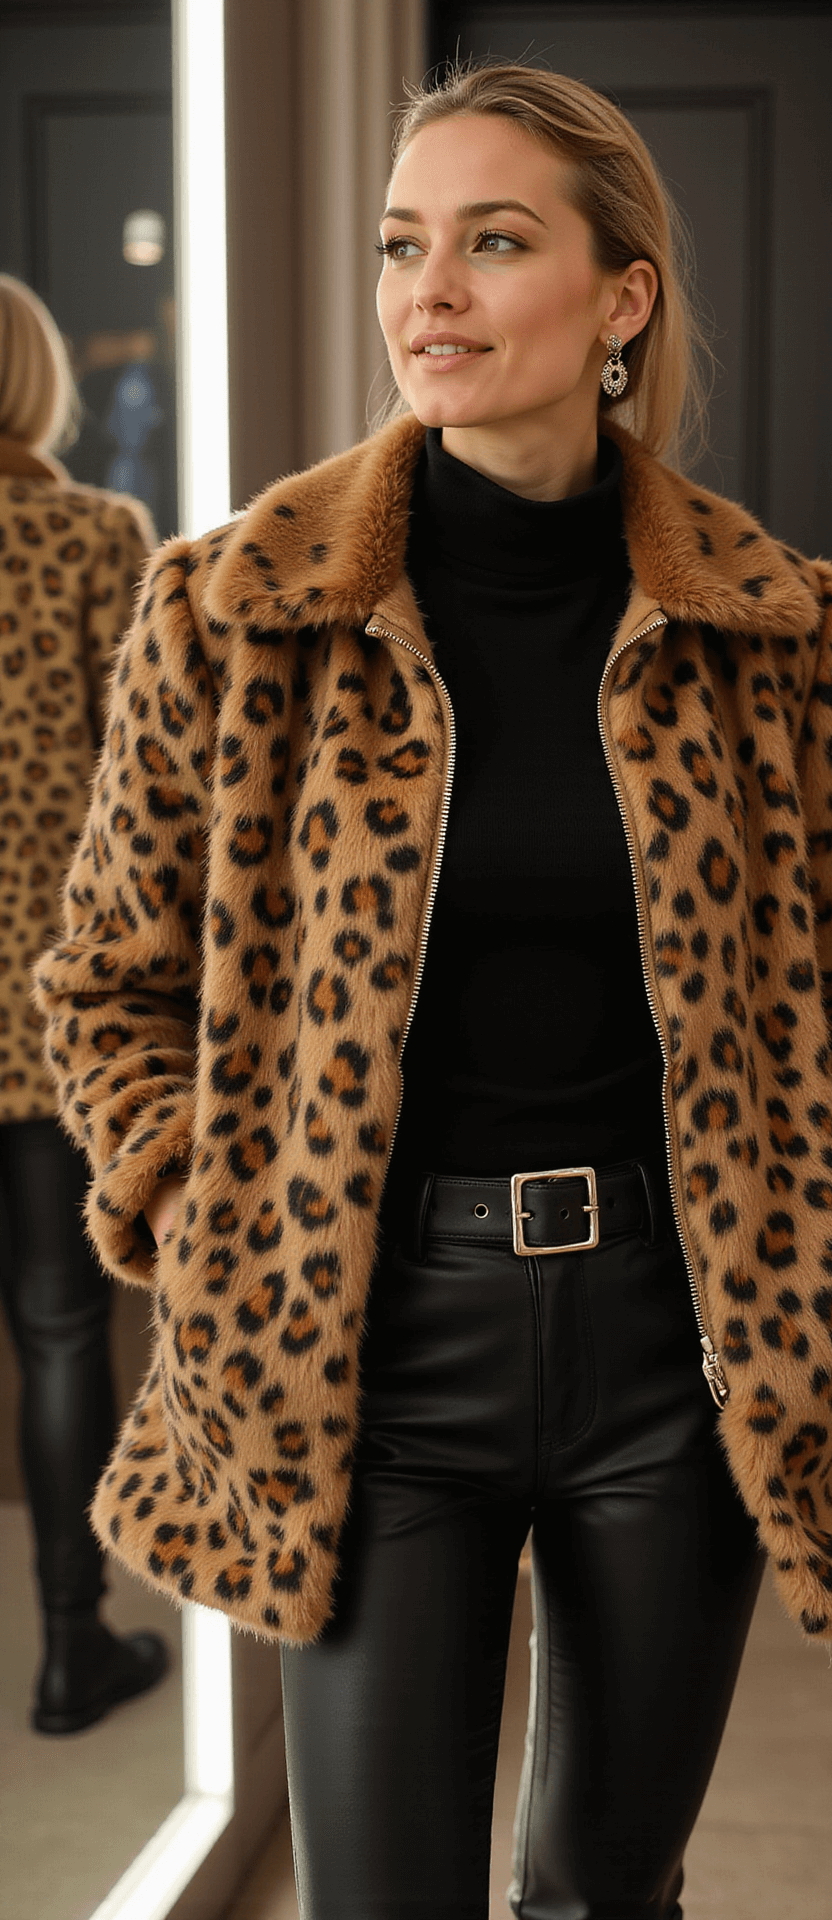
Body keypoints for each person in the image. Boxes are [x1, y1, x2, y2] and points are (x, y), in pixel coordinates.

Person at [35, 63, 832, 1917]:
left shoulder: (775, 625)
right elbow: (110, 986)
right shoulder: (233, 612)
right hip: (365, 1343)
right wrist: (205, 1210)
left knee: (610, 1890)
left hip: (682, 1341)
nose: (426, 291)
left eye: (493, 242)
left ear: (622, 298)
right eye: (401, 244)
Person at [0, 274, 169, 1733]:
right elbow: (154, 783)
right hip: (48, 1012)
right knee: (63, 1331)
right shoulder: (93, 537)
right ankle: (72, 1650)